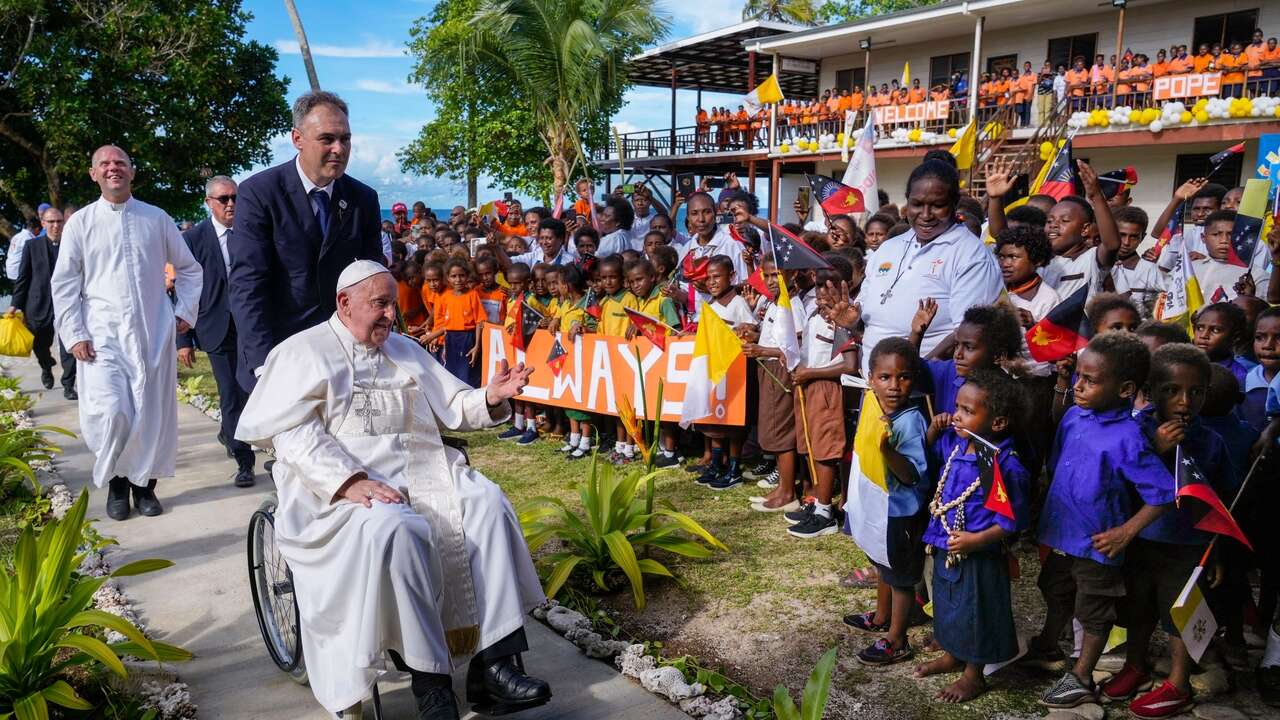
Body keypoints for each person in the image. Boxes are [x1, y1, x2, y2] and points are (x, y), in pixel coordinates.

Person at [235, 260, 549, 720]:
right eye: (379, 304)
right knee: (397, 530)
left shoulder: (404, 349)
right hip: (339, 489)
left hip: (425, 472)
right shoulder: (303, 352)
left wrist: (490, 397)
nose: (390, 316)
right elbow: (292, 435)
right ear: (344, 304)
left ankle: (495, 665)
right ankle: (432, 687)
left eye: (392, 305)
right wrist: (348, 481)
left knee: (487, 503)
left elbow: (453, 405)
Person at [51, 144, 203, 521]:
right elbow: (66, 282)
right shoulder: (81, 224)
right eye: (104, 164)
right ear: (93, 174)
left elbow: (189, 268)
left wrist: (183, 313)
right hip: (101, 337)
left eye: (120, 163)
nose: (113, 168)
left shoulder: (156, 218)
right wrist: (74, 334)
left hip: (152, 332)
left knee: (150, 414)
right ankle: (117, 484)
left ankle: (143, 486)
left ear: (132, 172)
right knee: (113, 412)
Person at [1028, 332, 1173, 708]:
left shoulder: (1130, 438)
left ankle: (1081, 675)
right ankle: (1047, 646)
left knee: (1093, 610)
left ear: (1125, 388)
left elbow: (1162, 494)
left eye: (1090, 381)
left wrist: (1125, 533)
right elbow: (1058, 463)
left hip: (1097, 544)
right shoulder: (1075, 416)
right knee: (1054, 589)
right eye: (1078, 376)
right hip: (1062, 533)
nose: (1078, 386)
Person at [229, 90, 384, 391]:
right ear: (297, 139)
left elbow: (371, 278)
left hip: (346, 356)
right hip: (280, 355)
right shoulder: (260, 193)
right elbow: (248, 284)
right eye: (327, 139)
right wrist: (263, 365)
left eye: (345, 139)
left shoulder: (363, 199)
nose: (339, 149)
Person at [914, 369, 1030, 703]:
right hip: (946, 542)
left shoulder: (1004, 464)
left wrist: (977, 540)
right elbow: (932, 460)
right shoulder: (956, 444)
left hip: (979, 553)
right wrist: (935, 432)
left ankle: (974, 673)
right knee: (948, 603)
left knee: (977, 609)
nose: (957, 416)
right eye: (958, 407)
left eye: (967, 411)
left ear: (997, 423)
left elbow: (1013, 520)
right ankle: (953, 653)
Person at [849, 160, 1003, 376]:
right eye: (917, 204)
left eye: (937, 205)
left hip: (928, 392)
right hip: (875, 387)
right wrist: (851, 321)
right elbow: (866, 319)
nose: (926, 214)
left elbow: (968, 334)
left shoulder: (971, 254)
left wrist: (909, 373)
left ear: (954, 203)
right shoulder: (889, 247)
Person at [177, 175, 256, 488]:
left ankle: (230, 432)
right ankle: (244, 461)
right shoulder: (193, 239)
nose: (231, 204)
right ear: (209, 202)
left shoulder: (252, 232)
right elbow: (181, 290)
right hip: (216, 328)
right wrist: (183, 339)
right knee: (230, 393)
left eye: (235, 197)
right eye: (223, 199)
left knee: (255, 390)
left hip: (252, 327)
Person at [9, 205, 76, 397]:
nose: (56, 226)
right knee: (40, 344)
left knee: (69, 344)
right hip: (38, 303)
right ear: (43, 224)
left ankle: (69, 384)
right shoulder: (31, 246)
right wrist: (15, 304)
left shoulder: (72, 244)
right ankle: (46, 366)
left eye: (59, 221)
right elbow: (23, 277)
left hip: (67, 303)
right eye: (51, 222)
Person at [5, 214, 41, 281]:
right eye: (39, 231)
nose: (39, 234)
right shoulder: (29, 239)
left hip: (11, 271)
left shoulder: (17, 236)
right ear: (37, 229)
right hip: (18, 272)